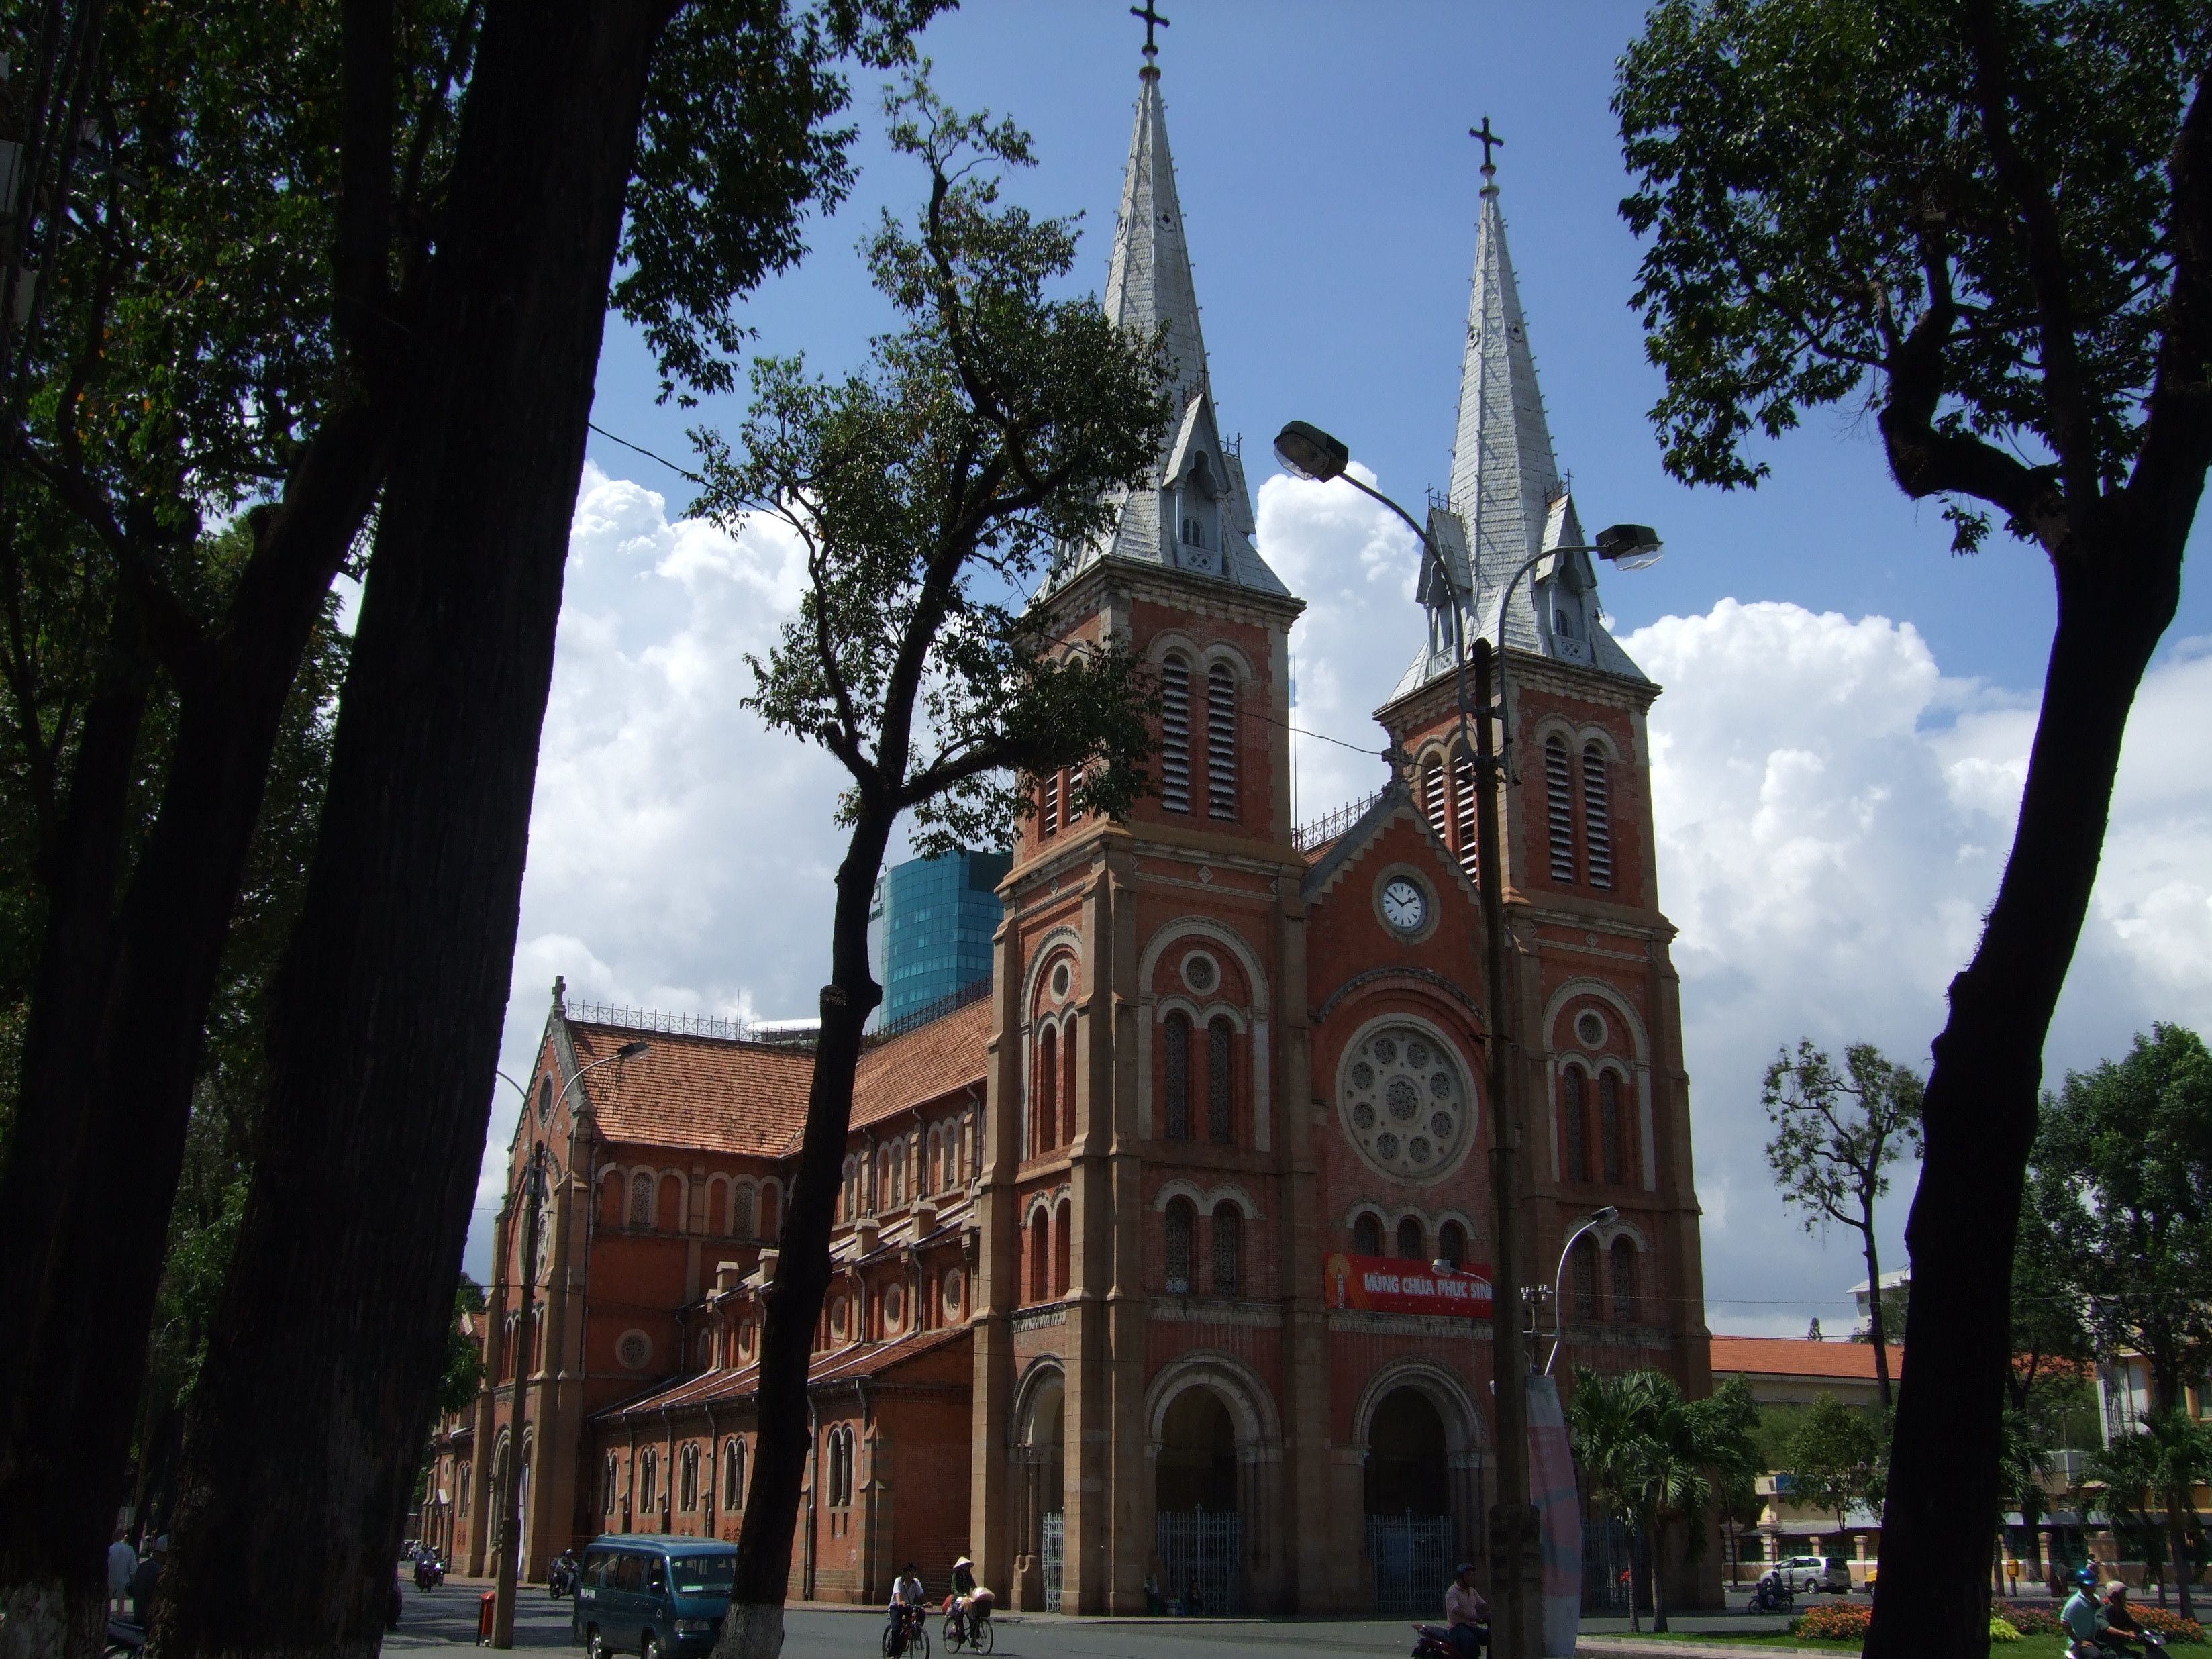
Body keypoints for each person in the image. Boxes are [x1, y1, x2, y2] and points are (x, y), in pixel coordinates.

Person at [1444, 1562, 1490, 1659]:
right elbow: (1455, 1609)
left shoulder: (1472, 1591)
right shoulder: (1452, 1592)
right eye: (1468, 1575)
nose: (1472, 1577)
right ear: (1460, 1577)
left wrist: (1493, 1609)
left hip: (1472, 1626)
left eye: (1473, 1575)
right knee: (1471, 1640)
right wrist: (1468, 1616)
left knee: (1491, 1636)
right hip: (1457, 1628)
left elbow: (1482, 1604)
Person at [2063, 1565, 2107, 1659]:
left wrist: (2096, 1605)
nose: (2093, 1587)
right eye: (2090, 1585)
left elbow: (2102, 1615)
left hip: (2095, 1639)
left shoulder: (2096, 1598)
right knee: (2097, 1656)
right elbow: (2064, 1622)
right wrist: (2078, 1641)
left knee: (2111, 1654)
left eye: (2094, 1585)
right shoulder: (2075, 1602)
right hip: (2082, 1641)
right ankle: (2074, 1653)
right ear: (2082, 1586)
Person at [887, 1563, 925, 1656]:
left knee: (921, 1613)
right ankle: (893, 1653)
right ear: (905, 1573)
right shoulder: (899, 1581)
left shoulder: (916, 1582)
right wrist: (900, 1602)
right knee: (896, 1628)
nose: (912, 1575)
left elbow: (921, 1595)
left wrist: (927, 1602)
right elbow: (897, 1593)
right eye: (910, 1572)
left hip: (908, 1606)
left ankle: (916, 1634)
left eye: (914, 1573)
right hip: (896, 1606)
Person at [128, 1538, 166, 1627]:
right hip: (150, 1621)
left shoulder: (142, 1567)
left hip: (139, 1616)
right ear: (163, 1554)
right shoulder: (159, 1571)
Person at [2103, 1581, 2144, 1658]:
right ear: (2115, 1596)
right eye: (2123, 1595)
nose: (2126, 1598)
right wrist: (2126, 1634)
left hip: (2119, 1648)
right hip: (2107, 1649)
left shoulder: (2122, 1612)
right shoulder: (2104, 1612)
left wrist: (2148, 1633)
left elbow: (2133, 1625)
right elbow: (2107, 1628)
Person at [107, 1530, 137, 1618]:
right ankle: (120, 1621)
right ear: (123, 1538)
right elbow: (134, 1568)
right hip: (124, 1580)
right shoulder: (129, 1549)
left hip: (110, 1580)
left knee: (107, 1603)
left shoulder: (110, 1549)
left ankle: (107, 1621)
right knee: (121, 1604)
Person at [948, 1556, 978, 1640]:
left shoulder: (968, 1576)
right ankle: (956, 1628)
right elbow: (954, 1589)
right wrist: (962, 1595)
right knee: (960, 1611)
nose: (967, 1568)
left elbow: (974, 1586)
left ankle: (974, 1637)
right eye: (965, 1566)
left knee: (975, 1616)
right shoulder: (955, 1576)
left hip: (967, 1601)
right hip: (957, 1601)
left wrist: (978, 1592)